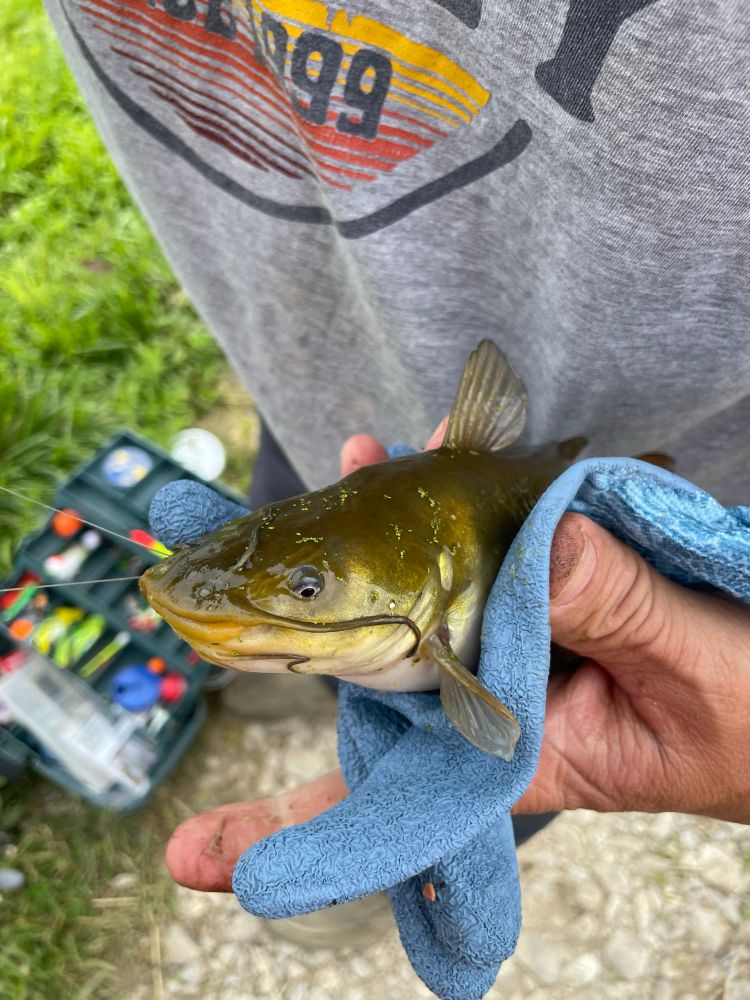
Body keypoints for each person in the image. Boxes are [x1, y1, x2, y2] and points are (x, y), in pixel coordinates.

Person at [42, 0, 750, 890]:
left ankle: (413, 859)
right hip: (315, 444)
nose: (292, 591)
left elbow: (493, 726)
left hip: (677, 529)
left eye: (308, 589)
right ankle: (309, 686)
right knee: (329, 629)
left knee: (473, 782)